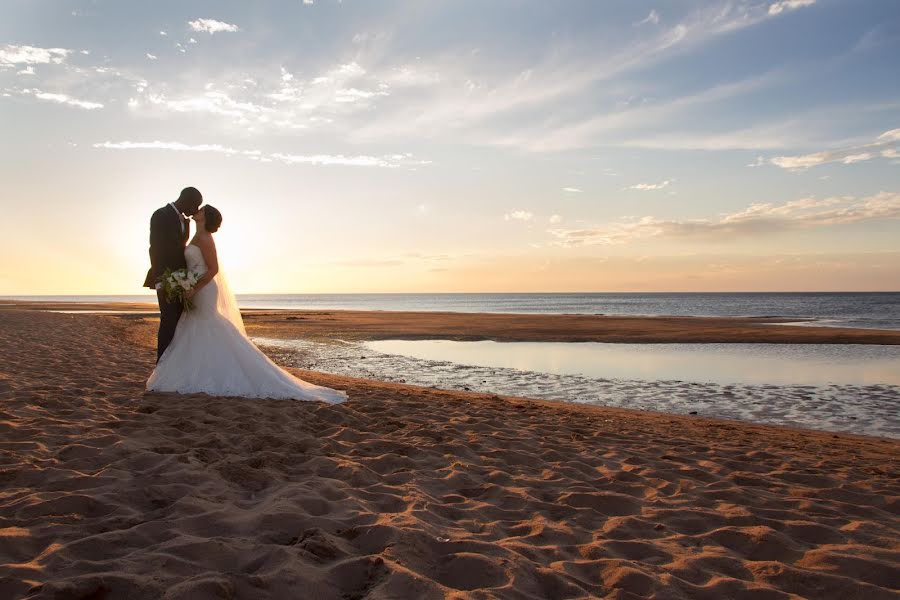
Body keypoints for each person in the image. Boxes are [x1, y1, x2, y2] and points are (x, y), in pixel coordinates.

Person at [146, 205, 347, 403]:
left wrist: (193, 288)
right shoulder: (194, 235)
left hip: (204, 290)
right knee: (193, 327)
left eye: (201, 209)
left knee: (206, 325)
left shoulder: (206, 239)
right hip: (194, 287)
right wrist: (184, 282)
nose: (197, 210)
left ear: (206, 217)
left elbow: (213, 269)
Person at [144, 187, 203, 362]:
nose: (196, 210)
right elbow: (154, 249)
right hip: (164, 278)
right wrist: (159, 279)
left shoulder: (187, 222)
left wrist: (187, 278)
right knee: (168, 320)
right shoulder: (160, 215)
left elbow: (181, 250)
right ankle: (161, 365)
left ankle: (175, 364)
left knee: (179, 322)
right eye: (196, 205)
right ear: (187, 200)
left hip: (182, 280)